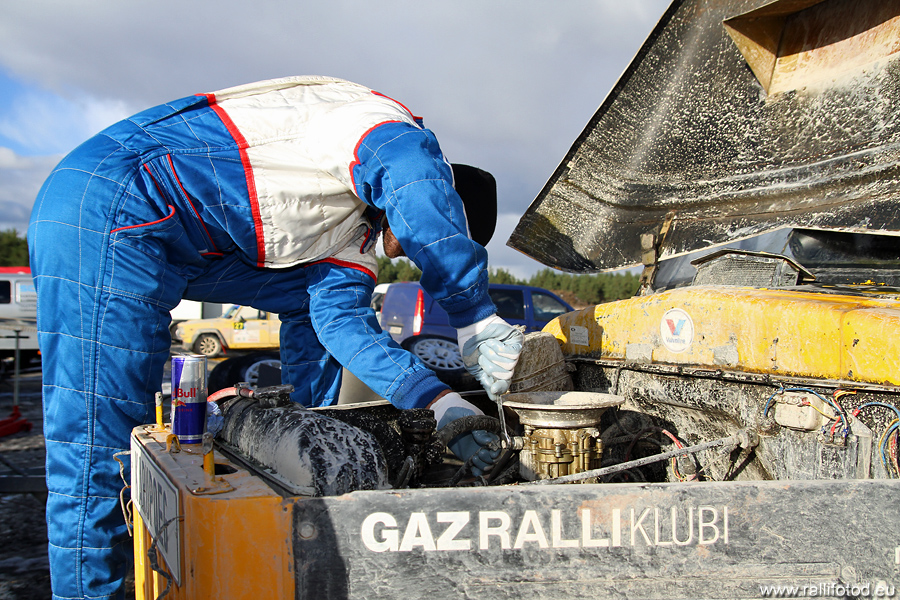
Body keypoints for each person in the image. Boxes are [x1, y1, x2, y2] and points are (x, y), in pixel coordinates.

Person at [28, 75, 524, 600]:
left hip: (179, 241)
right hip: (115, 200)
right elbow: (412, 178)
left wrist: (442, 404)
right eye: (421, 237)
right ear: (442, 201)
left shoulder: (352, 233)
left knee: (312, 309)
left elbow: (343, 325)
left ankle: (306, 444)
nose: (402, 253)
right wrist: (474, 317)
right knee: (97, 445)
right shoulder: (386, 130)